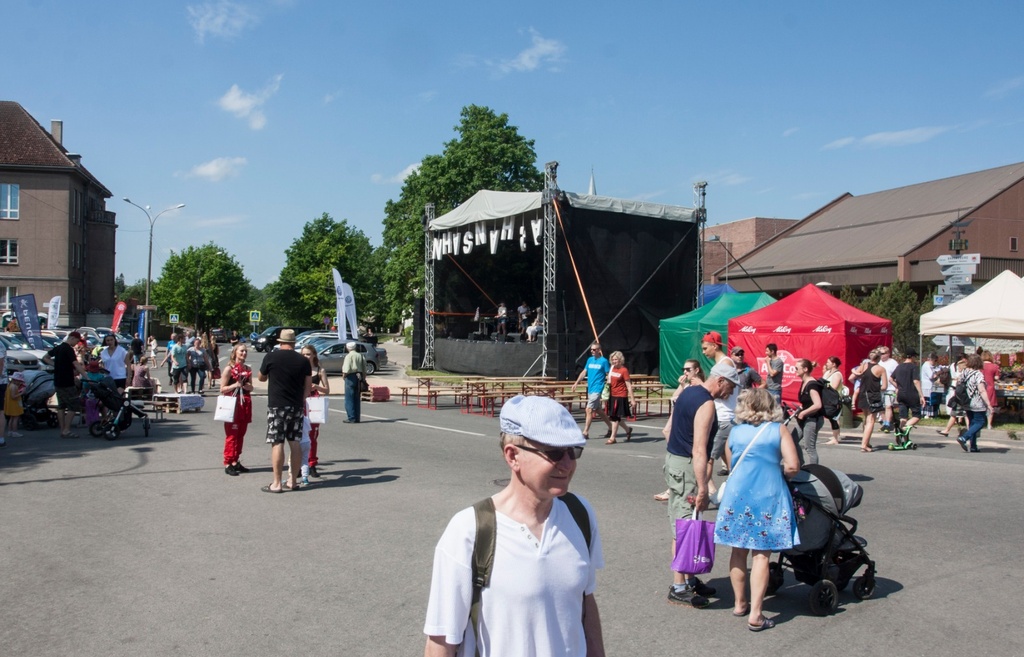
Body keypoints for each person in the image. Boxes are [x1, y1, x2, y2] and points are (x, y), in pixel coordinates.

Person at [423, 395, 605, 657]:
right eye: (554, 453)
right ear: (513, 456)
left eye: (573, 451)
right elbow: (441, 642)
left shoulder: (580, 514)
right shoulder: (470, 530)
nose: (567, 464)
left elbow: (585, 604)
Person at [714, 388, 800, 632]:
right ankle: (756, 613)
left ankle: (740, 603)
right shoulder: (778, 430)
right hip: (768, 495)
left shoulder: (736, 431)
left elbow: (731, 464)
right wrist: (778, 471)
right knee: (761, 554)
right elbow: (793, 465)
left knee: (738, 551)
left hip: (738, 495)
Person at [664, 360, 739, 608]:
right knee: (685, 524)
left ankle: (690, 577)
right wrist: (704, 487)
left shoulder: (689, 392)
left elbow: (671, 429)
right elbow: (699, 450)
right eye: (730, 386)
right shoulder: (706, 403)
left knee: (689, 521)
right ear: (720, 381)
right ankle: (679, 586)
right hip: (686, 465)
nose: (731, 392)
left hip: (675, 460)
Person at [257, 329, 312, 493]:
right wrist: (300, 401)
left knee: (277, 442)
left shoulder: (271, 357)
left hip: (277, 405)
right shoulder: (303, 361)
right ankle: (293, 481)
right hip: (296, 406)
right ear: (294, 343)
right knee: (295, 443)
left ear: (280, 342)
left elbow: (261, 377)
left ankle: (276, 483)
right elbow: (308, 388)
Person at [654, 359, 703, 502]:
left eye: (688, 370)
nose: (685, 372)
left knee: (690, 460)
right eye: (684, 369)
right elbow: (674, 398)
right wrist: (682, 386)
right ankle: (674, 488)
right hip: (677, 418)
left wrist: (685, 387)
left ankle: (702, 489)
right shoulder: (687, 385)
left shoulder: (697, 385)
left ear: (697, 370)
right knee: (667, 433)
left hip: (686, 422)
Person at [701, 331, 738, 483]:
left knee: (708, 457)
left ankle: (702, 495)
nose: (703, 352)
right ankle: (734, 487)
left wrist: (701, 386)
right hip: (722, 416)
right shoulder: (720, 364)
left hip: (725, 417)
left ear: (714, 346)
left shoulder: (725, 363)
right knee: (727, 456)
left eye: (705, 348)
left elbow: (725, 393)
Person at [43, 331, 86, 439]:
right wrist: (85, 375)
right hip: (67, 381)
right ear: (72, 338)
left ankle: (63, 429)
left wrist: (56, 365)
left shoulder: (58, 348)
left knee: (61, 406)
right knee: (73, 405)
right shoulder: (68, 349)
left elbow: (45, 357)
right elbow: (75, 363)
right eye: (76, 341)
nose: (76, 343)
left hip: (58, 380)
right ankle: (66, 429)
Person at [221, 343, 254, 477]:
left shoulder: (247, 369)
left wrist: (247, 386)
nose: (244, 353)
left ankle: (235, 460)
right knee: (232, 435)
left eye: (245, 351)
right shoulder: (229, 369)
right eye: (241, 351)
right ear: (235, 353)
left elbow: (251, 387)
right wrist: (235, 384)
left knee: (241, 434)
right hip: (233, 404)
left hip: (244, 403)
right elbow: (222, 388)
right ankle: (228, 462)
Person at [571, 342, 613, 440]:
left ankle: (585, 432)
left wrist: (609, 384)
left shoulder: (604, 361)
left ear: (599, 350)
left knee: (588, 409)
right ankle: (611, 427)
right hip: (590, 388)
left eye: (594, 349)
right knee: (598, 410)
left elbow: (608, 374)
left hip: (598, 388)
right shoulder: (589, 360)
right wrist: (576, 382)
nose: (592, 351)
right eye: (591, 350)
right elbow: (584, 372)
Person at [301, 344, 330, 479]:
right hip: (301, 402)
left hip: (314, 403)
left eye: (308, 354)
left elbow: (327, 389)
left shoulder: (319, 370)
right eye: (303, 354)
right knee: (299, 436)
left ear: (314, 355)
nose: (305, 357)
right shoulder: (299, 369)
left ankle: (312, 463)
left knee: (312, 436)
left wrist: (316, 386)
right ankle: (300, 464)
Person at [852, 350, 887, 452]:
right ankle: (864, 445)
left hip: (863, 393)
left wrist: (854, 371)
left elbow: (855, 373)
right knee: (871, 420)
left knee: (866, 418)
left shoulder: (863, 365)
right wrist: (877, 387)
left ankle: (866, 442)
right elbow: (884, 386)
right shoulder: (881, 369)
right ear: (879, 358)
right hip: (873, 395)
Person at [958, 354, 994, 453]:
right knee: (980, 422)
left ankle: (973, 446)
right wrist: (988, 404)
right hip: (977, 402)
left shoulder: (964, 372)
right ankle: (964, 438)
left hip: (966, 401)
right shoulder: (978, 374)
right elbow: (982, 390)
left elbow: (959, 383)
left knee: (972, 423)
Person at [794, 359, 824, 465]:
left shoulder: (812, 385)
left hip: (813, 419)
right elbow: (808, 402)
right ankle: (801, 465)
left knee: (809, 448)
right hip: (806, 417)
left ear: (805, 369)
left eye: (796, 368)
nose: (795, 370)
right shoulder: (804, 382)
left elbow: (817, 405)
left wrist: (803, 413)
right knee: (792, 440)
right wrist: (800, 409)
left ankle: (815, 472)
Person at [604, 351, 636, 445]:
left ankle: (612, 437)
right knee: (614, 416)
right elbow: (609, 381)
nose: (614, 361)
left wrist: (632, 399)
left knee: (615, 417)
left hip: (621, 396)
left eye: (616, 359)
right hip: (612, 395)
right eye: (613, 359)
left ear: (620, 360)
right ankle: (628, 429)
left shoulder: (624, 370)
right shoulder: (612, 368)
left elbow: (629, 385)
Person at [891, 350, 924, 435]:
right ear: (912, 357)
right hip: (912, 394)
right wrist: (921, 395)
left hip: (901, 394)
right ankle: (903, 428)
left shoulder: (899, 367)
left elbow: (890, 379)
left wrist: (897, 386)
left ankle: (902, 436)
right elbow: (916, 381)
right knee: (917, 416)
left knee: (903, 416)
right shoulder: (914, 367)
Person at [938, 354, 968, 436]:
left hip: (960, 394)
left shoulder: (960, 371)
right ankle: (948, 429)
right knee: (959, 413)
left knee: (963, 413)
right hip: (960, 394)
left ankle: (968, 430)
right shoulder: (963, 371)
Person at [821, 356, 844, 445]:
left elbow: (833, 387)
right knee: (831, 418)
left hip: (834, 399)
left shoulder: (837, 374)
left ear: (834, 364)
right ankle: (835, 435)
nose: (826, 364)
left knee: (833, 418)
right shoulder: (827, 373)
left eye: (828, 362)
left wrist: (824, 385)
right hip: (826, 398)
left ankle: (835, 438)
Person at [341, 341, 366, 423]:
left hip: (350, 376)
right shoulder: (360, 355)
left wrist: (344, 375)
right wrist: (364, 378)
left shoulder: (348, 356)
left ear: (348, 348)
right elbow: (364, 368)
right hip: (359, 376)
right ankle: (357, 417)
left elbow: (347, 368)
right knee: (356, 398)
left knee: (349, 398)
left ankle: (351, 417)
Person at [878, 347, 898, 432]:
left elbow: (897, 376)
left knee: (888, 406)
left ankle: (888, 424)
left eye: (883, 353)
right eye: (880, 354)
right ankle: (884, 422)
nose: (881, 356)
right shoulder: (878, 363)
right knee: (880, 407)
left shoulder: (893, 363)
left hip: (890, 388)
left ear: (888, 354)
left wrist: (897, 387)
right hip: (880, 387)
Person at [981, 351, 1000, 430]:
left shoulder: (979, 366)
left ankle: (980, 423)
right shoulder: (994, 366)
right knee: (990, 406)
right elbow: (996, 378)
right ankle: (989, 424)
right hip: (990, 388)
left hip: (981, 387)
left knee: (980, 406)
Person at [5, 371, 25, 439]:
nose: (20, 383)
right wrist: (21, 393)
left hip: (10, 404)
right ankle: (14, 431)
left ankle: (10, 431)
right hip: (14, 405)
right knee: (16, 418)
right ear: (15, 380)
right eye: (19, 381)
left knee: (11, 418)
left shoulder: (10, 385)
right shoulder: (14, 387)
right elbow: (13, 396)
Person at [920, 352, 937, 418]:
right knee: (928, 400)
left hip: (929, 385)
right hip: (927, 385)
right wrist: (938, 374)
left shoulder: (930, 366)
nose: (935, 362)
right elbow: (931, 376)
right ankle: (926, 413)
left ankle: (930, 413)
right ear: (931, 359)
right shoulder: (926, 365)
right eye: (934, 361)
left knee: (930, 399)